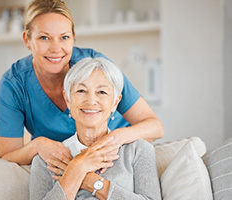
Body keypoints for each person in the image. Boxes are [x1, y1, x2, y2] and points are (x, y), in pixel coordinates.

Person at [0, 0, 164, 168]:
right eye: (44, 38)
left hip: (117, 154)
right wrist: (37, 145)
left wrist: (115, 139)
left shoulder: (96, 65)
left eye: (64, 37)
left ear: (73, 38)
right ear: (27, 39)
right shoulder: (14, 84)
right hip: (65, 165)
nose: (56, 48)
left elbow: (155, 127)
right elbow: (6, 157)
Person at [29, 57, 162, 200]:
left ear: (115, 103)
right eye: (81, 91)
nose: (91, 101)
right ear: (68, 100)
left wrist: (90, 181)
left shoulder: (138, 150)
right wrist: (77, 167)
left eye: (102, 92)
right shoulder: (47, 160)